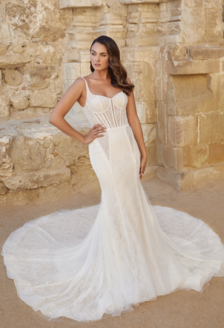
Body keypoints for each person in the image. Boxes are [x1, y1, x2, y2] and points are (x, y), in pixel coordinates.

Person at [1, 35, 224, 323]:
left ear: (111, 57)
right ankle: (120, 265)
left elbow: (133, 119)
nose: (96, 59)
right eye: (93, 53)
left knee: (131, 201)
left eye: (102, 54)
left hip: (127, 149)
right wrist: (83, 138)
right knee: (115, 202)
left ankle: (139, 257)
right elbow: (56, 116)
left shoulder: (121, 80)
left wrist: (143, 152)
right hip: (103, 152)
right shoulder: (82, 84)